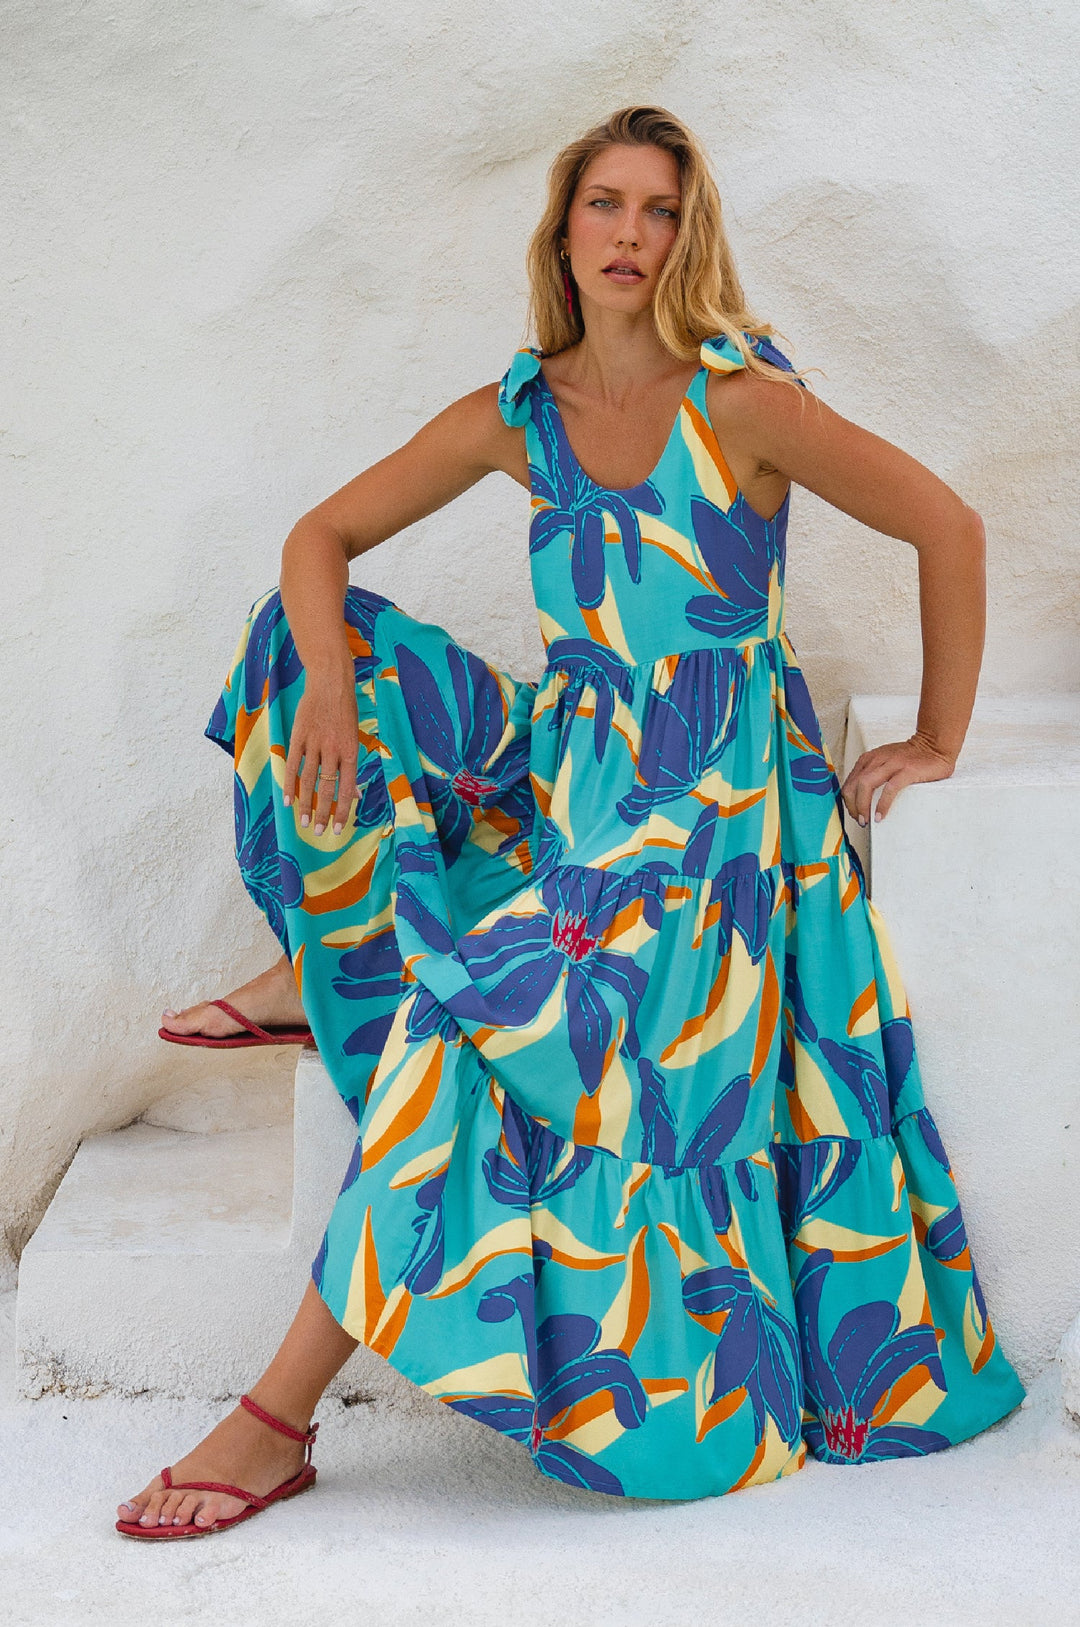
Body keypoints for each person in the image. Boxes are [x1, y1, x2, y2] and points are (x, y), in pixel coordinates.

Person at [117, 104, 1025, 1535]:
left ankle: (272, 1422)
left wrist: (938, 738)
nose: (630, 235)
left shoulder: (741, 401)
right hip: (567, 768)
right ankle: (326, 953)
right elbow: (318, 538)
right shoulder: (521, 413)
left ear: (687, 238)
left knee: (472, 1019)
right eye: (606, 204)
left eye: (660, 211)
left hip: (708, 813)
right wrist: (340, 702)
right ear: (563, 229)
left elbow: (948, 526)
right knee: (303, 640)